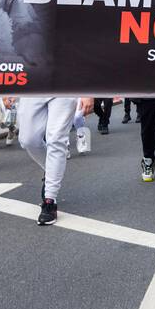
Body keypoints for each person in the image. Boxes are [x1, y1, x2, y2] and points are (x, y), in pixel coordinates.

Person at [18, 96, 94, 224]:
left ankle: (50, 201)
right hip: (33, 86)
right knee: (28, 140)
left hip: (64, 86)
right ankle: (51, 171)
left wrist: (87, 92)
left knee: (56, 140)